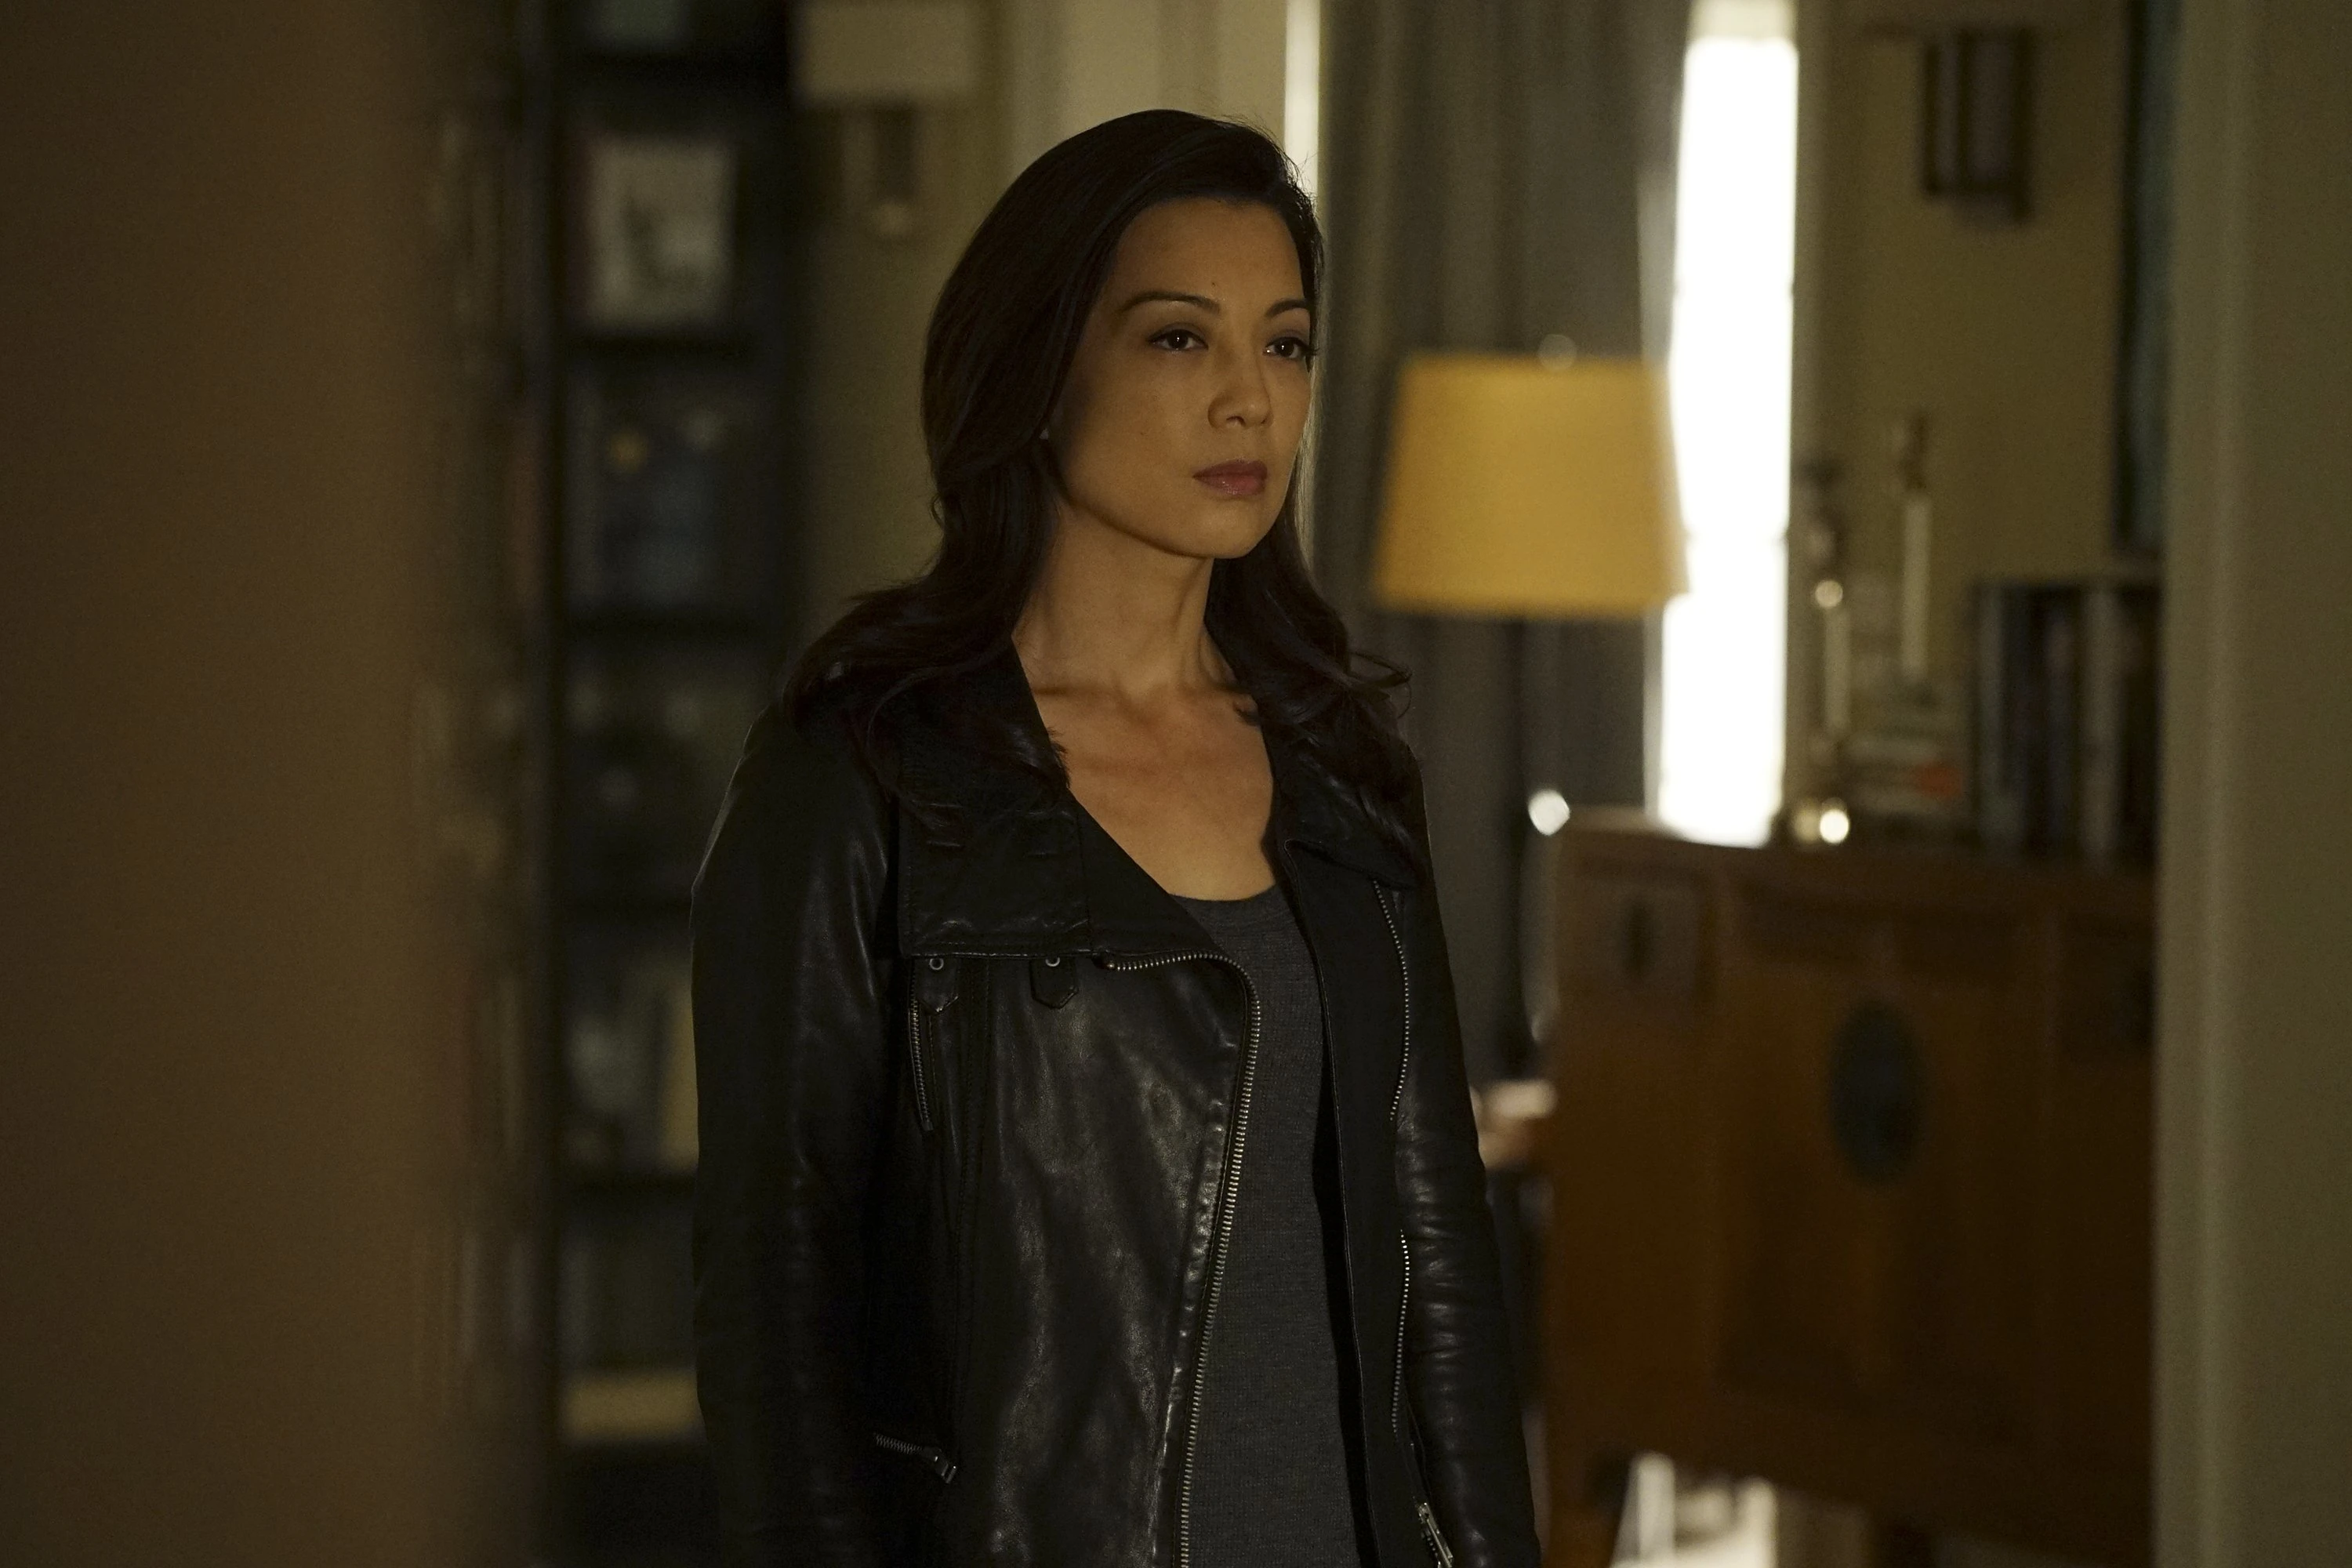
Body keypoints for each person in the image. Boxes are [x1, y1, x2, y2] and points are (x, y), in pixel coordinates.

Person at [691, 109, 1538, 1568]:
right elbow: (777, 1306)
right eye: (1177, 338)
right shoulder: (861, 776)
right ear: (1037, 372)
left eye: (1285, 345)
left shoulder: (1344, 768)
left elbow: (1441, 1256)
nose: (1249, 402)